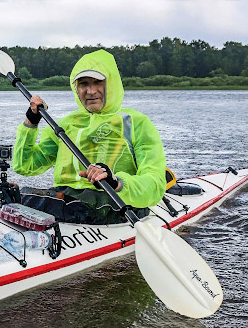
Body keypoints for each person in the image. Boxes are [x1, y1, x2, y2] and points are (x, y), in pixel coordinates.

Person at [12, 49, 166, 224]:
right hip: (66, 204)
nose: (91, 91)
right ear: (76, 88)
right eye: (84, 84)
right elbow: (24, 166)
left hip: (114, 204)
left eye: (98, 82)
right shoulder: (64, 125)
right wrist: (31, 123)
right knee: (17, 195)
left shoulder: (136, 123)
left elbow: (155, 183)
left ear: (111, 84)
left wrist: (117, 182)